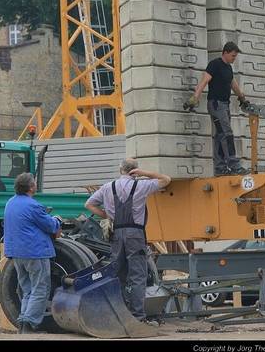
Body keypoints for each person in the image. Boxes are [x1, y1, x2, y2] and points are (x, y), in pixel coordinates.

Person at [85, 158, 170, 322]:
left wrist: (107, 216)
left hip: (116, 233)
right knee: (138, 275)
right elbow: (166, 180)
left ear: (120, 170)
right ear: (135, 171)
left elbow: (89, 204)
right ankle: (137, 316)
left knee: (118, 273)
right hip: (135, 234)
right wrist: (144, 173)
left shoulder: (108, 187)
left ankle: (120, 313)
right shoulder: (141, 185)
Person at [3, 172, 61, 334]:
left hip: (16, 253)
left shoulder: (10, 203)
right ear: (30, 187)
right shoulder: (32, 205)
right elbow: (50, 226)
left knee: (27, 289)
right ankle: (30, 324)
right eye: (34, 183)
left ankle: (23, 324)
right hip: (35, 253)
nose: (36, 184)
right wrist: (58, 220)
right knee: (40, 288)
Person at [186, 41, 251, 175]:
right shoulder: (215, 65)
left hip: (225, 105)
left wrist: (242, 98)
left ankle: (220, 168)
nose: (234, 58)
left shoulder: (228, 68)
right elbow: (204, 81)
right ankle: (234, 165)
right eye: (233, 56)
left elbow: (233, 84)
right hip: (216, 105)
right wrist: (195, 98)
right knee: (227, 133)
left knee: (220, 134)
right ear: (225, 53)